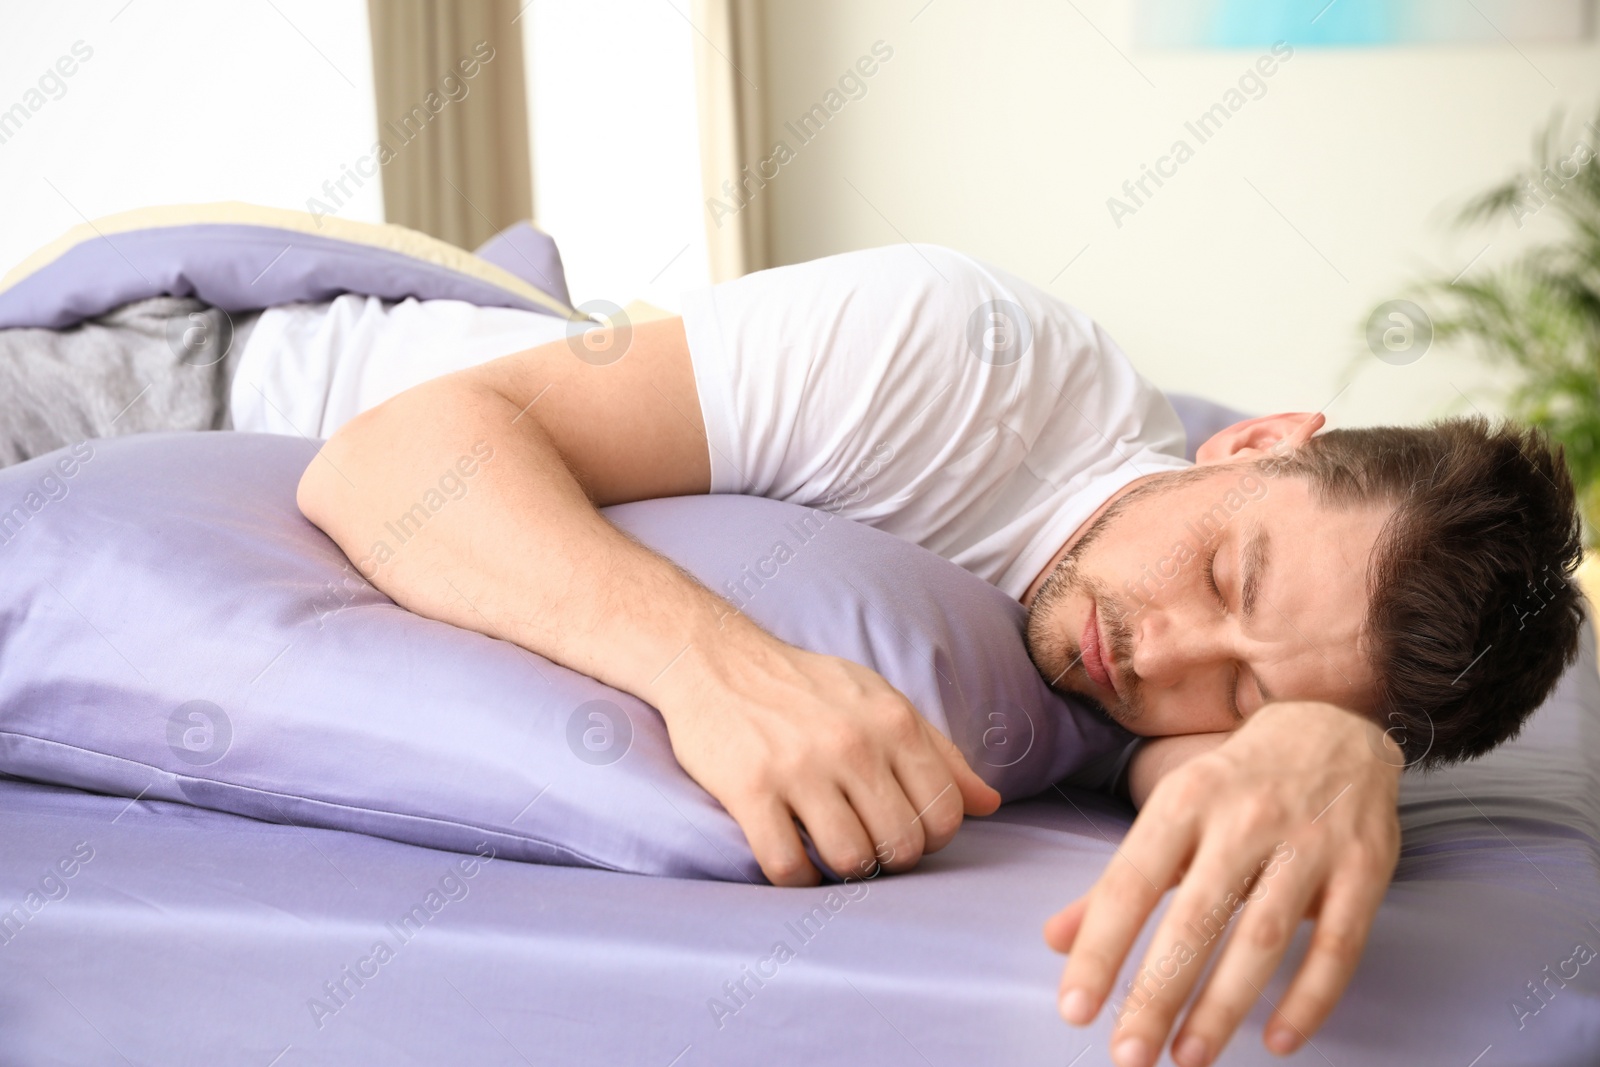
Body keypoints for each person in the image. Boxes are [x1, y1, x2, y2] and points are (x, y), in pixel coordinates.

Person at [295, 244, 1584, 1067]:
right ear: (1251, 445)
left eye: (1248, 688)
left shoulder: (1219, 686)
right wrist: (709, 666)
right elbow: (395, 458)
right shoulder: (950, 358)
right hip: (218, 372)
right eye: (1224, 571)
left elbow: (1205, 783)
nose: (1164, 659)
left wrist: (1333, 745)